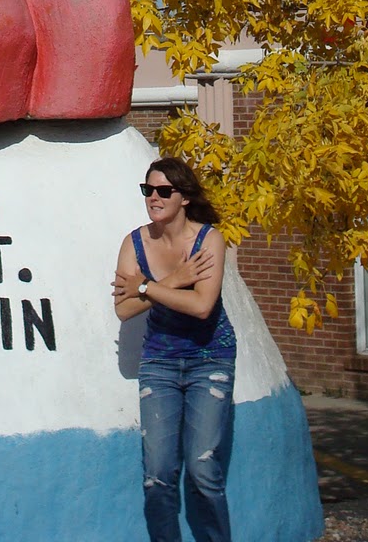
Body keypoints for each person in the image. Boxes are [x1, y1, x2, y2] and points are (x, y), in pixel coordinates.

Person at [113, 156, 236, 542]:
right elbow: (123, 308)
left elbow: (202, 306)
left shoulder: (208, 239)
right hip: (159, 363)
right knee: (158, 476)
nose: (154, 197)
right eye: (147, 190)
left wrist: (148, 287)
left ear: (184, 197)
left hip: (209, 359)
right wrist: (176, 279)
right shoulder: (134, 242)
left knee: (203, 470)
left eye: (163, 191)